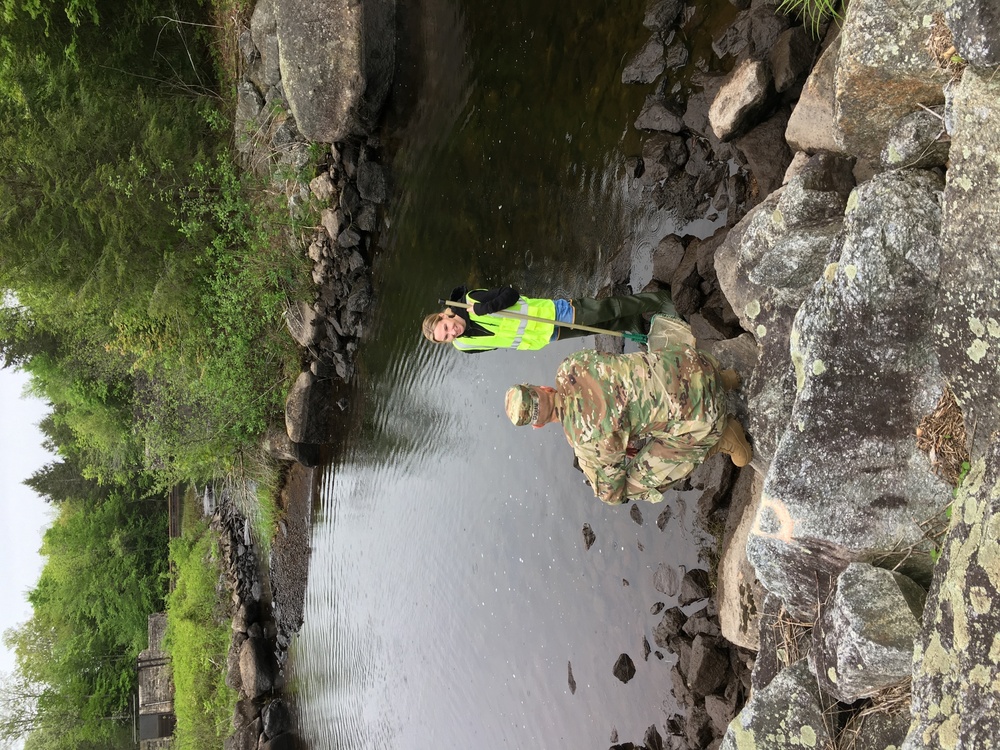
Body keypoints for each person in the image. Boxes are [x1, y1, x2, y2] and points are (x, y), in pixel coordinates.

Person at [503, 336, 751, 506]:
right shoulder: (570, 365)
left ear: (538, 425)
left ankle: (722, 439)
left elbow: (611, 495)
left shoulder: (585, 443)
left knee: (631, 487)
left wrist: (604, 458)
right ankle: (725, 379)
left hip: (706, 417)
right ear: (544, 388)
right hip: (698, 362)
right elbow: (618, 391)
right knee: (642, 378)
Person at [421, 285, 675, 353]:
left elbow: (510, 294)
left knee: (604, 309)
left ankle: (657, 299)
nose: (451, 332)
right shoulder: (463, 346)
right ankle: (632, 324)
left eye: (445, 327)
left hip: (551, 314)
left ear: (445, 315)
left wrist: (487, 308)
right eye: (446, 337)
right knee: (591, 329)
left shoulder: (473, 299)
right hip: (544, 336)